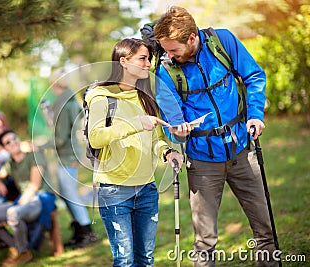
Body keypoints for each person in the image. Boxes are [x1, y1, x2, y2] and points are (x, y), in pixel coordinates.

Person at [153, 6, 278, 267]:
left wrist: (255, 114)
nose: (168, 54)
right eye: (165, 49)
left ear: (191, 38)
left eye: (173, 49)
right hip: (202, 161)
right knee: (204, 241)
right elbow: (171, 122)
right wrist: (177, 131)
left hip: (243, 150)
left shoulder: (223, 42)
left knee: (265, 228)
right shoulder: (166, 72)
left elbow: (254, 76)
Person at [85, 38, 185, 267]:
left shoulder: (145, 95)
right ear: (124, 61)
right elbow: (96, 137)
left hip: (147, 189)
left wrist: (168, 153)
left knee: (146, 259)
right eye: (142, 58)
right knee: (125, 260)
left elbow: (156, 139)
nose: (148, 64)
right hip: (115, 190)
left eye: (148, 58)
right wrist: (135, 123)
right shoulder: (102, 97)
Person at [0, 129, 56, 267]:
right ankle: (16, 247)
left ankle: (22, 252)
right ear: (4, 148)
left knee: (13, 213)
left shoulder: (34, 156)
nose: (13, 142)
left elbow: (34, 185)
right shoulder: (10, 163)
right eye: (8, 142)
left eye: (15, 138)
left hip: (40, 199)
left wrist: (19, 204)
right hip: (23, 201)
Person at [39, 68, 98, 248]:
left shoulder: (64, 103)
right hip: (69, 154)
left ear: (54, 83)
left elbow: (60, 137)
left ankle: (87, 233)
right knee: (66, 194)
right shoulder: (68, 100)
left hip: (67, 156)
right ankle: (80, 230)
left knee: (70, 194)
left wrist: (39, 146)